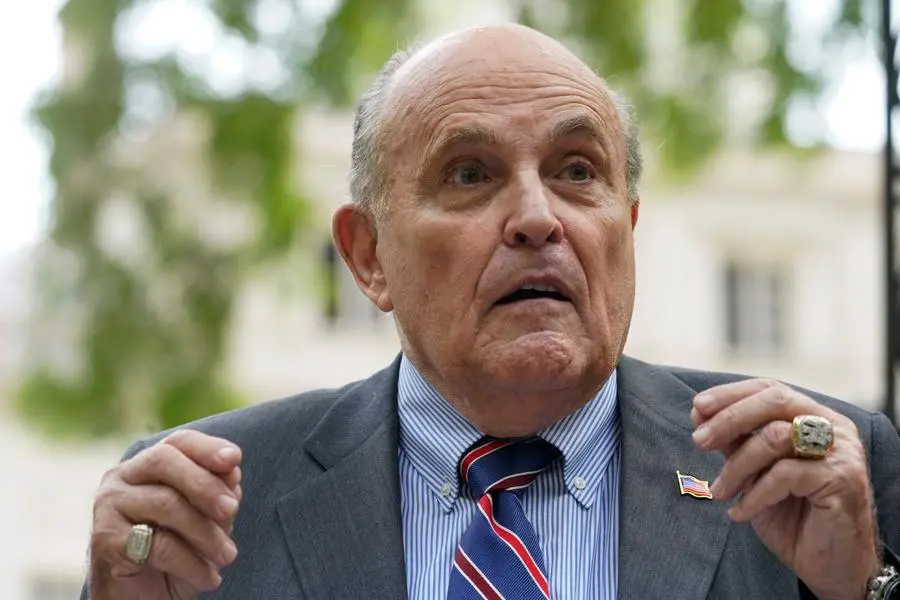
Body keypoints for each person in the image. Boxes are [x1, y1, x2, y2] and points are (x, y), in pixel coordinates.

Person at [81, 24, 900, 600]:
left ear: (627, 228)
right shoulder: (206, 510)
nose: (538, 218)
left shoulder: (816, 477)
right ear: (368, 256)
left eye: (577, 171)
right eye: (470, 174)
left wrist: (865, 586)